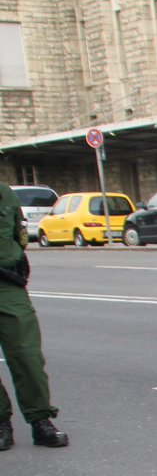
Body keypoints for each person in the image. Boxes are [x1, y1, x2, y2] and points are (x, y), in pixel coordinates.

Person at [0, 179, 68, 449]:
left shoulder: (4, 194)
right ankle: (1, 422)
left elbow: (19, 235)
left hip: (6, 283)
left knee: (27, 354)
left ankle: (40, 420)